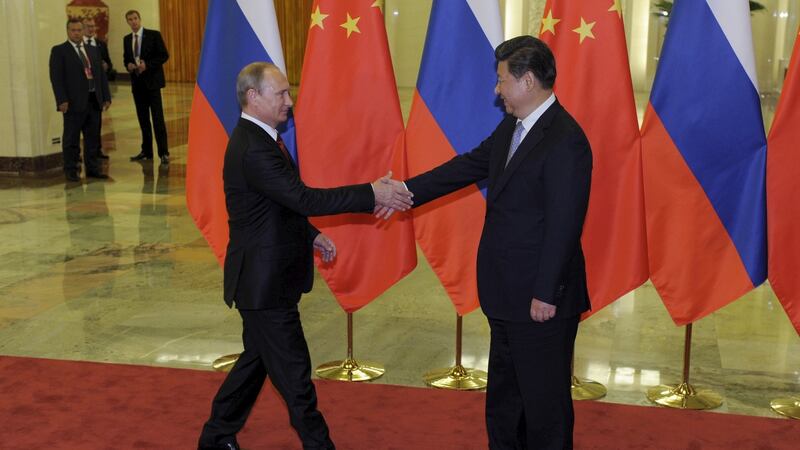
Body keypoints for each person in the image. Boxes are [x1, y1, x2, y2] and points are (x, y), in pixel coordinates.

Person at [197, 62, 413, 450]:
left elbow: (276, 205)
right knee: (295, 376)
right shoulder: (252, 147)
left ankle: (216, 435)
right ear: (253, 97)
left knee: (256, 363)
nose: (289, 101)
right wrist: (372, 193)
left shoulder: (263, 139)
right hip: (264, 286)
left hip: (266, 277)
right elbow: (302, 197)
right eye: (280, 93)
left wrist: (309, 234)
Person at [401, 36, 592, 449]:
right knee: (506, 401)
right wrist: (403, 190)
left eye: (502, 80)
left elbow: (564, 224)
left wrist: (546, 294)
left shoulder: (565, 139)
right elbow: (467, 165)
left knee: (544, 408)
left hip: (541, 304)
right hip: (506, 294)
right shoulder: (514, 125)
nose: (496, 89)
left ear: (527, 81)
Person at [49, 18, 111, 182]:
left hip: (93, 101)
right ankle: (71, 170)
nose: (76, 33)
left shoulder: (93, 49)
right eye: (73, 30)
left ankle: (92, 169)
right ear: (68, 31)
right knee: (71, 139)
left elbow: (100, 75)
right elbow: (57, 78)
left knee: (92, 138)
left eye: (79, 30)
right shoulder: (59, 51)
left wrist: (105, 97)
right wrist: (61, 100)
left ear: (83, 31)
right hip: (73, 103)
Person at [122, 10, 170, 165]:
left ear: (140, 19)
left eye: (135, 18)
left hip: (153, 84)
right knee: (143, 119)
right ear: (128, 22)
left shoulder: (153, 35)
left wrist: (147, 65)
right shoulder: (127, 39)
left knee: (157, 119)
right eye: (130, 20)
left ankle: (163, 152)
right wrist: (129, 65)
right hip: (137, 85)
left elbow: (164, 55)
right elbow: (126, 59)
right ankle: (146, 151)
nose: (133, 22)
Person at [83, 17, 112, 160]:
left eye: (93, 26)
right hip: (83, 92)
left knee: (97, 124)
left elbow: (109, 67)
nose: (91, 29)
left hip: (97, 92)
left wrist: (106, 67)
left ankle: (97, 150)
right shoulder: (79, 45)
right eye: (88, 26)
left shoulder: (100, 44)